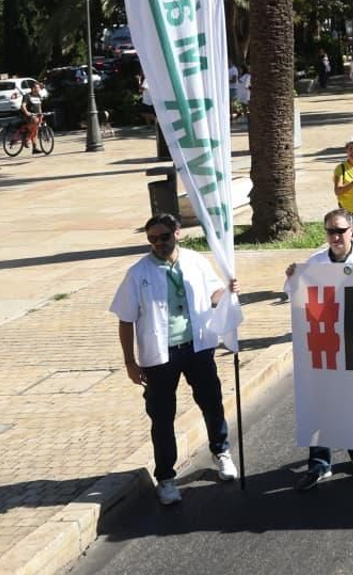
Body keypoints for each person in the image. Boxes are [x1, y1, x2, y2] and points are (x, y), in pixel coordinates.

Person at [110, 214, 239, 506]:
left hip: (198, 347)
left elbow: (213, 292)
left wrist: (228, 294)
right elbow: (125, 319)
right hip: (160, 355)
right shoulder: (138, 272)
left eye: (164, 237)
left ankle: (221, 452)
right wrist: (130, 361)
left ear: (178, 233)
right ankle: (166, 478)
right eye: (152, 239)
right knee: (162, 416)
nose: (158, 244)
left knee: (211, 402)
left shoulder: (195, 261)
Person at [286, 209, 353, 489]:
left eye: (341, 230)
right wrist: (293, 276)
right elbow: (294, 295)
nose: (336, 236)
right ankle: (319, 463)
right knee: (320, 403)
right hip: (324, 345)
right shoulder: (314, 263)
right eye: (331, 231)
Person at [19, 81, 44, 148]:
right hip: (27, 115)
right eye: (36, 87)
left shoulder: (38, 96)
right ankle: (26, 135)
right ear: (32, 88)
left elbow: (39, 107)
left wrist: (41, 114)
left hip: (36, 114)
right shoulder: (27, 96)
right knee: (35, 121)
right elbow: (23, 105)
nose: (38, 89)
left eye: (39, 88)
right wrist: (26, 112)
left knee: (36, 130)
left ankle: (34, 148)